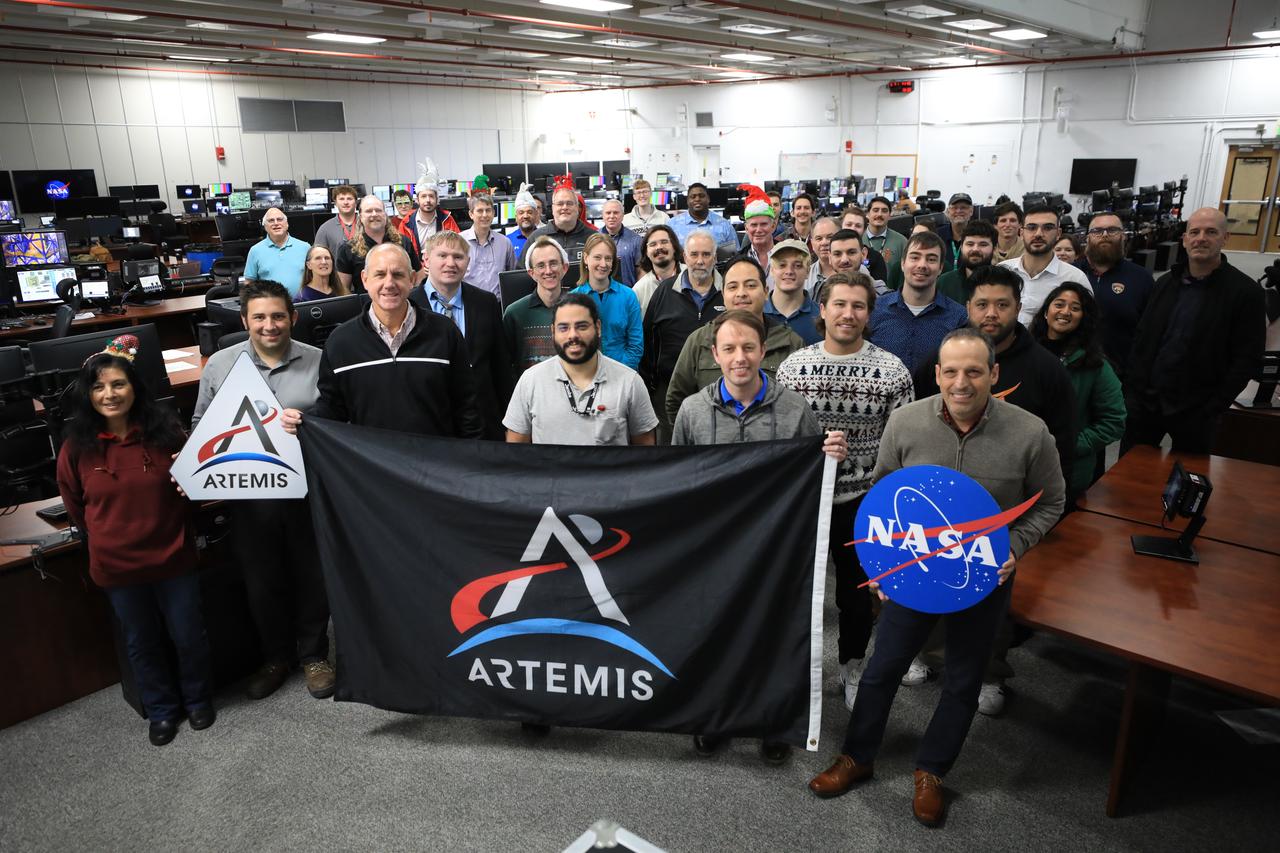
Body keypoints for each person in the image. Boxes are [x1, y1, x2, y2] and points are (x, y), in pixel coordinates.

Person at [808, 327, 1065, 828]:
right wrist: (880, 564)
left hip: (984, 577)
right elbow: (882, 492)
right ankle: (857, 757)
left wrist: (1013, 546)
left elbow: (1052, 501)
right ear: (937, 374)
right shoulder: (906, 422)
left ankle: (933, 772)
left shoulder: (1031, 433)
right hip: (914, 571)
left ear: (993, 374)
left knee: (964, 679)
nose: (961, 383)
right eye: (950, 372)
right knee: (882, 669)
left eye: (973, 371)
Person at [672, 308, 849, 765]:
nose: (739, 357)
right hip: (712, 550)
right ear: (714, 354)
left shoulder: (794, 409)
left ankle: (772, 720)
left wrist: (831, 456)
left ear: (763, 351)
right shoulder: (692, 411)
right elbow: (676, 484)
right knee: (714, 632)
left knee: (772, 633)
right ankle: (715, 716)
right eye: (728, 348)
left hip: (773, 550)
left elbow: (810, 480)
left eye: (748, 347)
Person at [901, 265, 1076, 706]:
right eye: (982, 304)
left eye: (1003, 304)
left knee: (991, 602)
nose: (991, 313)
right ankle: (923, 653)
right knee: (930, 582)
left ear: (1019, 309)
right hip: (937, 505)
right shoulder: (944, 356)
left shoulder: (1046, 369)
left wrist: (1019, 540)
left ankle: (989, 673)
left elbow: (1060, 451)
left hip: (1002, 510)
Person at [57, 334, 213, 747]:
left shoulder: (165, 432)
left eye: (118, 384)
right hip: (117, 566)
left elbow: (192, 488)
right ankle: (162, 711)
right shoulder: (76, 449)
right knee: (141, 642)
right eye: (98, 386)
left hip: (173, 556)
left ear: (135, 388)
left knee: (188, 634)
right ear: (87, 394)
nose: (109, 394)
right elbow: (75, 508)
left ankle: (197, 700)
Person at [777, 272, 914, 711]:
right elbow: (781, 438)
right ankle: (792, 671)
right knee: (796, 594)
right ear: (822, 309)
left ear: (869, 313)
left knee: (855, 599)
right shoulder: (793, 368)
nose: (848, 314)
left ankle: (852, 666)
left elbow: (903, 444)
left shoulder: (893, 371)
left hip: (863, 501)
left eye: (858, 306)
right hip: (803, 501)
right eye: (839, 304)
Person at [192, 281, 333, 702]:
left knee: (312, 574)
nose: (269, 326)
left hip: (308, 491)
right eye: (259, 317)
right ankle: (275, 657)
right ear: (244, 321)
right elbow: (201, 424)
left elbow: (338, 420)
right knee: (261, 579)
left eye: (277, 316)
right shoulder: (220, 364)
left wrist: (310, 424)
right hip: (249, 495)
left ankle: (314, 656)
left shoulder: (319, 361)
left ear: (292, 317)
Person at [283, 242, 482, 439]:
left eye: (398, 274)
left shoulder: (444, 332)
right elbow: (334, 408)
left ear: (412, 279)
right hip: (373, 466)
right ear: (365, 279)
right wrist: (305, 420)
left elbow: (466, 406)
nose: (389, 284)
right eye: (380, 274)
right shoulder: (341, 342)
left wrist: (473, 460)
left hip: (437, 463)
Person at [1123, 207, 1266, 453]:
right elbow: (1142, 340)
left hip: (1198, 410)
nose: (1201, 238)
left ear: (1225, 238)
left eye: (1211, 232)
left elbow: (1247, 358)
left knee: (1188, 482)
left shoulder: (1246, 293)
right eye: (1195, 232)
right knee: (1129, 474)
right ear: (1185, 239)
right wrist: (1133, 394)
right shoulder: (1165, 283)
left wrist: (1215, 406)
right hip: (1148, 403)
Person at [504, 293, 657, 446]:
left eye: (581, 326)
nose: (573, 335)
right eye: (563, 328)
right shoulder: (530, 381)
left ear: (598, 328)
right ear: (553, 332)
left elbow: (645, 453)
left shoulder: (629, 382)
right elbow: (517, 451)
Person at [665, 257, 804, 424]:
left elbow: (801, 408)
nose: (741, 293)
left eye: (751, 285)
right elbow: (676, 401)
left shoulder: (791, 343)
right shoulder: (700, 340)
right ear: (723, 294)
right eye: (732, 287)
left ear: (766, 291)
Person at [409, 231, 512, 440]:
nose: (451, 263)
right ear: (426, 260)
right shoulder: (409, 305)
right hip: (429, 425)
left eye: (458, 257)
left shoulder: (486, 303)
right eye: (442, 255)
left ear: (468, 261)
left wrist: (510, 423)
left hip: (483, 424)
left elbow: (500, 367)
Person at [1030, 283, 1126, 498]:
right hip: (1021, 467)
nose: (1065, 312)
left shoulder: (1095, 365)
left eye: (1075, 308)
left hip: (1066, 473)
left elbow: (1114, 421)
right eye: (1059, 304)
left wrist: (1070, 445)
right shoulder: (1025, 354)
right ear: (1046, 311)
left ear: (1083, 317)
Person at [641, 230, 722, 444]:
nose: (700, 261)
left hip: (719, 391)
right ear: (684, 257)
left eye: (706, 255)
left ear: (715, 257)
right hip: (668, 392)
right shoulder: (664, 291)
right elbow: (648, 339)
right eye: (694, 255)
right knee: (672, 453)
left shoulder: (728, 292)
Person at [866, 232, 967, 375]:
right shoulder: (874, 310)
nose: (922, 265)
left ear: (940, 268)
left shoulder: (958, 317)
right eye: (915, 257)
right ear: (902, 263)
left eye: (931, 259)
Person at [1075, 212, 1154, 377]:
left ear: (1123, 236)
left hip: (1121, 375)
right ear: (1087, 237)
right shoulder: (1071, 273)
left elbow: (1149, 335)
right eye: (1097, 231)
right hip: (1073, 372)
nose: (1104, 235)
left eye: (1112, 230)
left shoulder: (1141, 278)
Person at [1000, 205, 1092, 326]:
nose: (1038, 234)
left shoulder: (1075, 278)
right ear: (1021, 233)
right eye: (1031, 227)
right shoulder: (1002, 270)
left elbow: (1087, 327)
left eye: (1047, 228)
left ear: (1058, 233)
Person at [570, 233, 643, 371]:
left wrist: (620, 373)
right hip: (585, 374)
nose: (603, 264)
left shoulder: (628, 296)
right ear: (586, 258)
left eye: (608, 258)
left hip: (624, 372)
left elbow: (636, 345)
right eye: (597, 257)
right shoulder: (573, 299)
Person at [504, 236, 569, 373]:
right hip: (530, 392)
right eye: (540, 265)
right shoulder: (514, 313)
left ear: (564, 268)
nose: (548, 271)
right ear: (531, 273)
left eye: (553, 263)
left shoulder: (580, 309)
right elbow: (505, 366)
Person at [335, 195, 421, 292]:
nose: (374, 214)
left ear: (385, 214)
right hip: (366, 305)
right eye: (368, 211)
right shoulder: (347, 249)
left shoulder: (404, 243)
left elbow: (418, 277)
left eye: (378, 210)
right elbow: (343, 289)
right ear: (360, 216)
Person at [521, 177, 596, 267]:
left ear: (577, 208)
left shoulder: (593, 238)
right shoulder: (536, 238)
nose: (564, 207)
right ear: (553, 208)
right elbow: (520, 273)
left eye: (569, 203)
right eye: (560, 204)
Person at [459, 193, 517, 303]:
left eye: (488, 210)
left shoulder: (505, 243)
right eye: (480, 211)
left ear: (493, 213)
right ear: (471, 214)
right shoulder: (459, 241)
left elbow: (512, 277)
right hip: (469, 305)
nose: (485, 215)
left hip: (498, 306)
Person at [764, 239, 822, 345]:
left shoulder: (821, 317)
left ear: (808, 272)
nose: (789, 271)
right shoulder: (758, 314)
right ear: (772, 270)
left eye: (797, 265)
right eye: (782, 265)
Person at [243, 207, 310, 296]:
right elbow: (249, 282)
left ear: (287, 224)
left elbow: (314, 277)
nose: (276, 223)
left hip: (303, 304)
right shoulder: (255, 251)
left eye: (279, 219)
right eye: (271, 220)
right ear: (265, 227)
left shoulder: (305, 247)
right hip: (270, 307)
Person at [397, 179, 461, 263]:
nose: (428, 200)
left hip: (443, 268)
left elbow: (458, 246)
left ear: (437, 200)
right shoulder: (406, 223)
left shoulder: (447, 219)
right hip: (417, 271)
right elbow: (401, 253)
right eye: (423, 196)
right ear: (417, 200)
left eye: (431, 196)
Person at [934, 219, 997, 304]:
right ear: (962, 247)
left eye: (983, 245)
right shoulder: (944, 282)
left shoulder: (1003, 282)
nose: (975, 249)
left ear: (994, 249)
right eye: (970, 244)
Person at [669, 182, 738, 251]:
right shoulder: (672, 225)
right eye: (693, 197)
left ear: (708, 199)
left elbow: (735, 255)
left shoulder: (725, 225)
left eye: (701, 196)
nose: (697, 199)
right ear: (687, 201)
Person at [631, 225, 684, 313]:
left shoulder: (692, 276)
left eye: (664, 242)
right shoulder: (638, 290)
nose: (659, 247)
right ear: (646, 252)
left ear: (674, 246)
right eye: (653, 244)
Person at [599, 198, 643, 287]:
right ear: (602, 216)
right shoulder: (594, 239)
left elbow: (641, 271)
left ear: (623, 215)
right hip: (600, 294)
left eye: (616, 213)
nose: (612, 216)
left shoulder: (636, 240)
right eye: (608, 213)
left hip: (628, 294)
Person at [734, 185, 777, 276]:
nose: (758, 230)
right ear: (746, 228)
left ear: (773, 226)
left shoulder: (787, 254)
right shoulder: (737, 261)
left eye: (763, 224)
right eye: (753, 225)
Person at [841, 206, 889, 283]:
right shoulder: (832, 254)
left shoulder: (875, 257)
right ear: (841, 226)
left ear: (864, 230)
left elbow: (881, 291)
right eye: (849, 224)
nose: (853, 228)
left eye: (858, 226)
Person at [864, 196, 909, 278]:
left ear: (890, 215)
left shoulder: (901, 242)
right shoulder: (857, 240)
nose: (879, 214)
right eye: (875, 210)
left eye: (884, 211)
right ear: (868, 214)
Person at [312, 184, 360, 259]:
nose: (346, 202)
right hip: (337, 270)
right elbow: (317, 256)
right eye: (341, 199)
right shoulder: (325, 229)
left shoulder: (365, 225)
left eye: (349, 199)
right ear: (335, 203)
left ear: (356, 202)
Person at [934, 192, 973, 270]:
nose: (958, 211)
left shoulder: (978, 235)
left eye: (963, 207)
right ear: (948, 212)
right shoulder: (937, 235)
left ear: (971, 211)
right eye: (954, 207)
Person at [807, 216, 839, 296]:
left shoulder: (858, 270)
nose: (824, 242)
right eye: (819, 238)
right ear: (812, 244)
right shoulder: (805, 275)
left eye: (830, 237)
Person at [507, 183, 541, 258]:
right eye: (521, 213)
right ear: (516, 217)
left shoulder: (545, 237)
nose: (525, 216)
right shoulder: (507, 241)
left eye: (529, 212)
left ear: (536, 215)